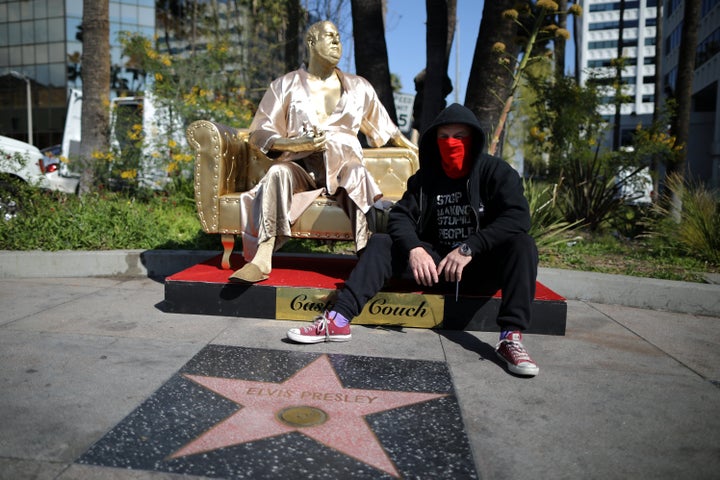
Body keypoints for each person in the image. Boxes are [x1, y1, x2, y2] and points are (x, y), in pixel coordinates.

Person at [286, 103, 540, 377]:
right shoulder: (425, 179)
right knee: (381, 242)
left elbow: (517, 218)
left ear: (474, 139)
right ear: (434, 141)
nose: (451, 143)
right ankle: (338, 320)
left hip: (476, 267)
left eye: (460, 136)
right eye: (444, 137)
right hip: (431, 268)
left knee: (522, 244)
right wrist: (415, 249)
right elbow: (400, 217)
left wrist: (470, 248)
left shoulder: (496, 172)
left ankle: (510, 337)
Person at [229, 20, 416, 283]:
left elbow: (387, 129)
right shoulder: (284, 85)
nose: (336, 41)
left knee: (358, 175)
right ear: (311, 42)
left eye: (338, 37)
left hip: (344, 166)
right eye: (329, 36)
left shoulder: (359, 86)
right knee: (278, 173)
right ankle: (262, 256)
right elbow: (258, 132)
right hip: (301, 168)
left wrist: (415, 149)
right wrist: (295, 144)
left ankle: (366, 257)